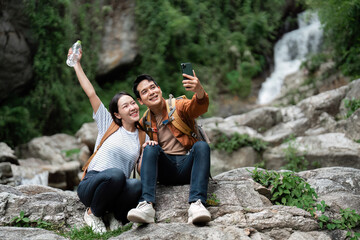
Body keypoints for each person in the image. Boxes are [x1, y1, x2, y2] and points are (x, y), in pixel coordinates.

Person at [69, 48, 157, 234]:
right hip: (93, 184)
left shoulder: (143, 135)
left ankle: (114, 215)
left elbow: (143, 167)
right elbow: (91, 93)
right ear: (117, 114)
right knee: (116, 174)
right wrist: (76, 64)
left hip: (118, 189)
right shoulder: (108, 123)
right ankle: (93, 212)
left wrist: (150, 147)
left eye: (133, 103)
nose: (132, 107)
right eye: (126, 106)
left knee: (137, 185)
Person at [127, 70, 211, 224]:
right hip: (165, 171)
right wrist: (145, 148)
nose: (151, 92)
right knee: (151, 148)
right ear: (140, 100)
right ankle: (147, 205)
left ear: (159, 89)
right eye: (145, 92)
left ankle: (197, 204)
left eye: (153, 87)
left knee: (202, 146)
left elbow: (198, 107)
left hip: (188, 166)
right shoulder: (143, 122)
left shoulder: (178, 106)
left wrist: (199, 90)